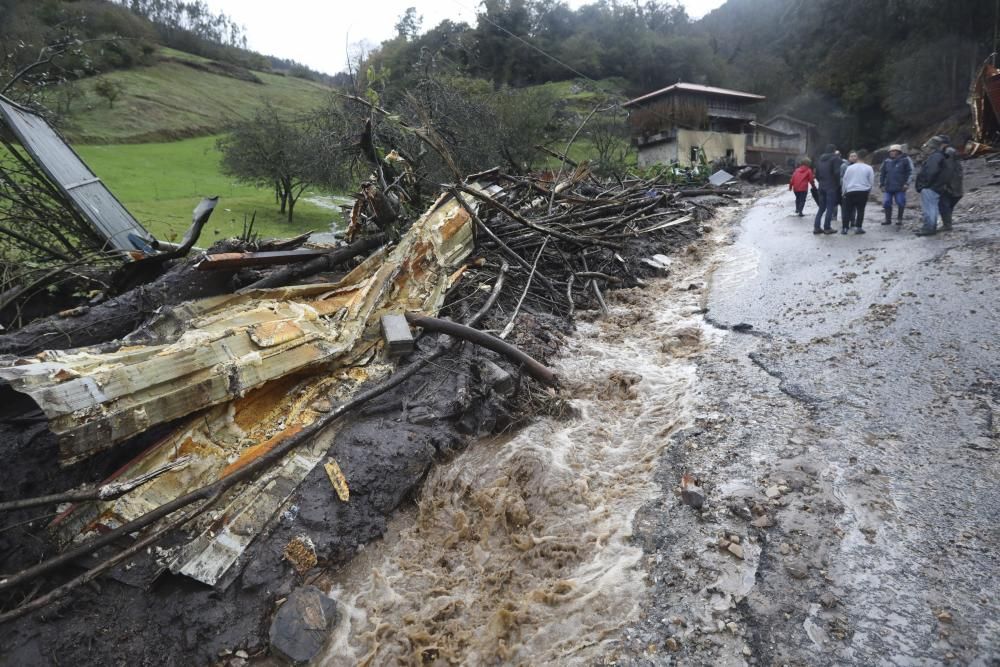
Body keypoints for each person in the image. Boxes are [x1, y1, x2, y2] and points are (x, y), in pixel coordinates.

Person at [914, 135, 950, 236]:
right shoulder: (940, 156)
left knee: (929, 208)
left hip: (931, 187)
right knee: (932, 207)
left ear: (932, 146)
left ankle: (929, 228)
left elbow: (931, 172)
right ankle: (929, 227)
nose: (927, 148)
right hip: (936, 186)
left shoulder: (935, 156)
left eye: (928, 146)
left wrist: (924, 185)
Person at [841, 150, 875, 234]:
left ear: (858, 157)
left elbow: (845, 180)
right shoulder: (868, 168)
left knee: (847, 210)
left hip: (850, 191)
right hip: (863, 191)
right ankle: (858, 227)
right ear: (866, 157)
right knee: (860, 210)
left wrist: (843, 191)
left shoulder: (849, 168)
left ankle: (845, 228)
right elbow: (871, 181)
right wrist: (869, 190)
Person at [879, 144, 912, 226]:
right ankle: (888, 220)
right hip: (888, 187)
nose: (891, 152)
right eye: (891, 151)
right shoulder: (886, 161)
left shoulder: (905, 160)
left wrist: (907, 183)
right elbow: (882, 174)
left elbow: (910, 172)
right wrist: (881, 185)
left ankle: (899, 219)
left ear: (898, 152)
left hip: (900, 187)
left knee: (901, 202)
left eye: (894, 151)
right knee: (886, 202)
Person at [813, 144, 842, 234]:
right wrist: (838, 184)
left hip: (821, 186)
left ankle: (816, 228)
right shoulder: (835, 159)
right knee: (830, 207)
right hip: (831, 186)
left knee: (821, 208)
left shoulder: (820, 160)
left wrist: (821, 182)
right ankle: (827, 227)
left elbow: (816, 174)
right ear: (834, 150)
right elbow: (837, 173)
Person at [937, 146, 963, 231]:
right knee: (948, 206)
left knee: (944, 204)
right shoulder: (957, 162)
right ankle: (948, 223)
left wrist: (943, 184)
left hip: (950, 186)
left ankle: (947, 225)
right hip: (957, 187)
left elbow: (947, 173)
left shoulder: (948, 161)